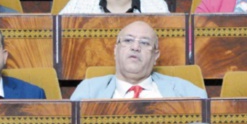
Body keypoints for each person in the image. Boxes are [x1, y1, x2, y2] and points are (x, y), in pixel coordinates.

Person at [70, 21, 207, 99]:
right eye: (128, 40)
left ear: (155, 56)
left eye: (145, 43)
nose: (135, 47)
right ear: (115, 50)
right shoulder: (88, 91)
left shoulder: (185, 92)